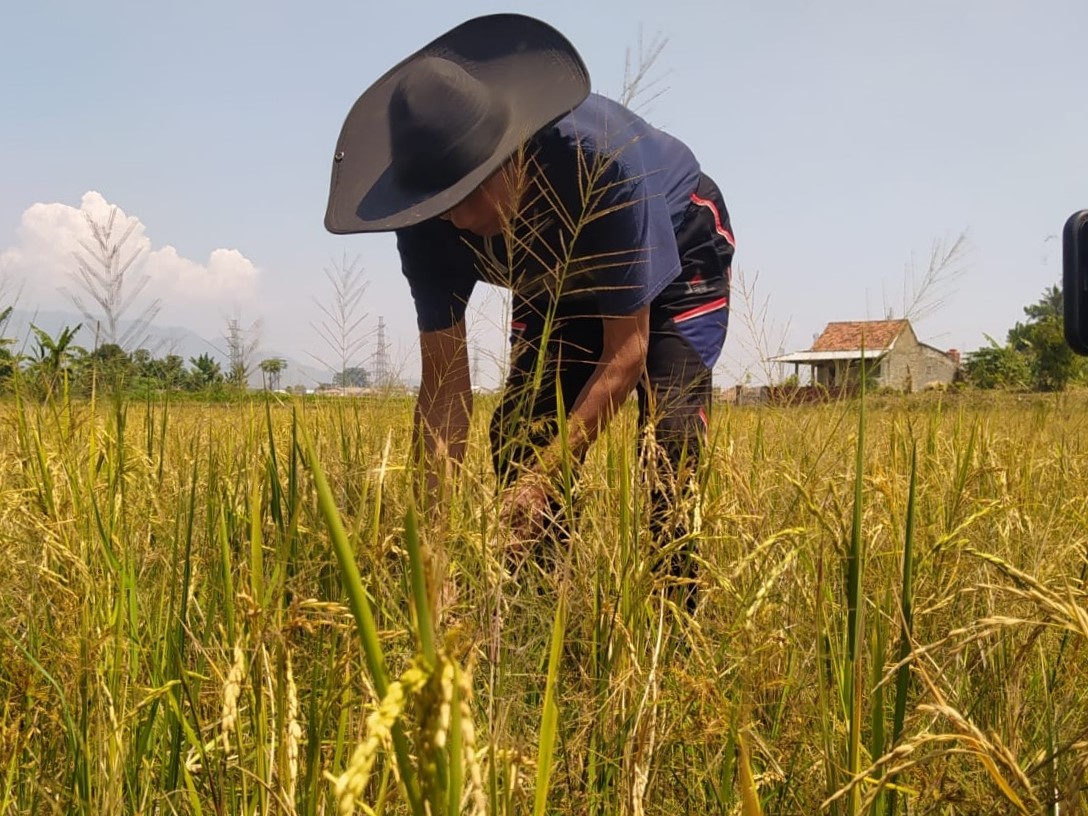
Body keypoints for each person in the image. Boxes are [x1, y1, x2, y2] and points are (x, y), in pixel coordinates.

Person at [325, 14, 734, 577]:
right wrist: (431, 552)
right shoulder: (426, 221)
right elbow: (444, 388)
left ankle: (671, 611)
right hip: (554, 274)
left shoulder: (602, 166)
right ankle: (537, 607)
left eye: (468, 194)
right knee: (523, 435)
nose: (456, 219)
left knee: (671, 439)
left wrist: (548, 477)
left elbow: (626, 353)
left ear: (513, 155)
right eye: (441, 204)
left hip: (677, 239)